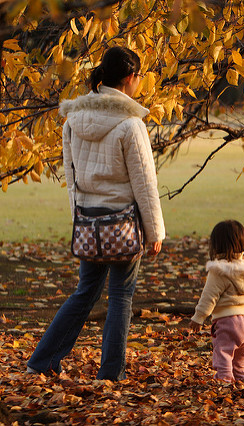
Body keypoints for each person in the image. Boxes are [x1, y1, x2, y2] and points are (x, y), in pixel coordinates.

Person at [27, 46, 165, 381]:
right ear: (130, 77)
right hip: (123, 224)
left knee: (84, 292)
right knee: (120, 296)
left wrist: (79, 216)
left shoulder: (73, 118)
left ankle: (42, 360)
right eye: (139, 76)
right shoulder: (131, 125)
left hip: (89, 220)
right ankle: (110, 374)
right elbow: (145, 183)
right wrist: (155, 231)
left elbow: (71, 177)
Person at [190, 220, 244, 382]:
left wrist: (198, 317)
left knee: (223, 354)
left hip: (227, 322)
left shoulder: (219, 271)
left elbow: (209, 296)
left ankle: (224, 384)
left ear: (216, 245)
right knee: (240, 359)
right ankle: (239, 381)